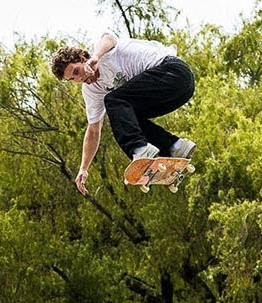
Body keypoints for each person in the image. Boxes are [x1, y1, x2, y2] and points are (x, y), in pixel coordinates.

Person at [50, 32, 196, 196]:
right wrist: (83, 168)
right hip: (177, 91)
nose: (79, 78)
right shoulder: (91, 90)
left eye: (76, 71)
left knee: (113, 100)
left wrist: (96, 57)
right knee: (126, 115)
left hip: (174, 72)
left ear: (83, 57)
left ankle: (139, 149)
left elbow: (109, 38)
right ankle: (175, 146)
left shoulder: (103, 53)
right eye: (72, 79)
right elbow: (93, 130)